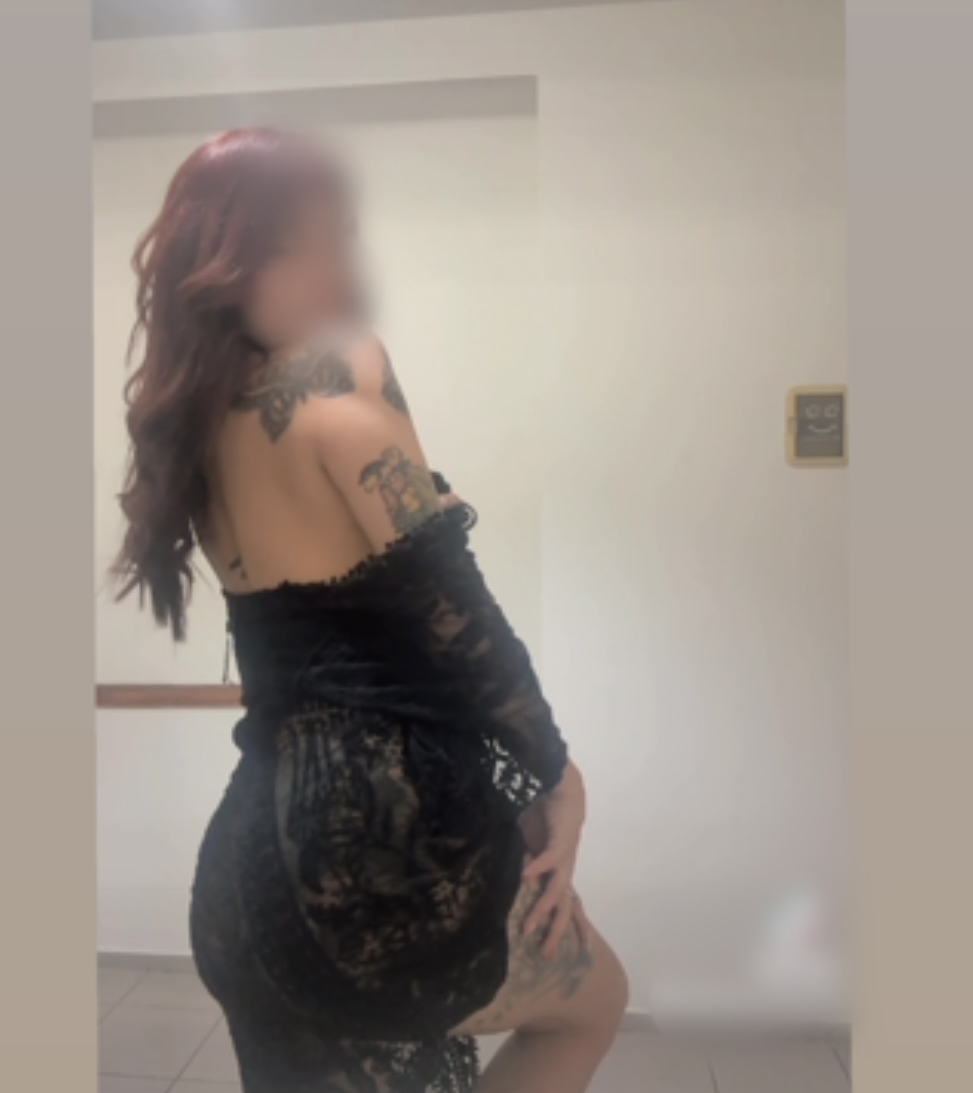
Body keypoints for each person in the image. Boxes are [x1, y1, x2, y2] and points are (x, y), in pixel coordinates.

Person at [111, 127, 628, 1093]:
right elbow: (458, 623)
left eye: (344, 238)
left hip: (242, 882)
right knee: (596, 1001)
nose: (340, 270)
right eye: (305, 245)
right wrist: (558, 777)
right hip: (380, 862)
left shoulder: (195, 431)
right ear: (228, 265)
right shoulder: (343, 379)